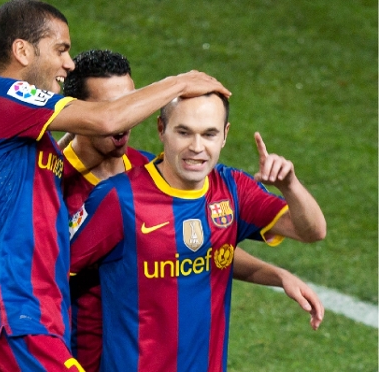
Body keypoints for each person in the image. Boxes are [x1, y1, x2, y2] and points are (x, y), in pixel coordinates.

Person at [0, 1, 230, 370]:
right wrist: (178, 83)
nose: (69, 63)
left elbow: (32, 200)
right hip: (13, 313)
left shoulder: (29, 143)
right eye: (60, 49)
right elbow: (106, 118)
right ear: (21, 50)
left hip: (26, 319)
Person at [64, 50, 324, 371]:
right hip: (90, 354)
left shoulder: (170, 172)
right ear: (163, 130)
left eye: (209, 133)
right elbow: (37, 282)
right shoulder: (59, 186)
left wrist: (277, 273)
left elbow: (194, 247)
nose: (197, 147)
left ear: (225, 134)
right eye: (184, 132)